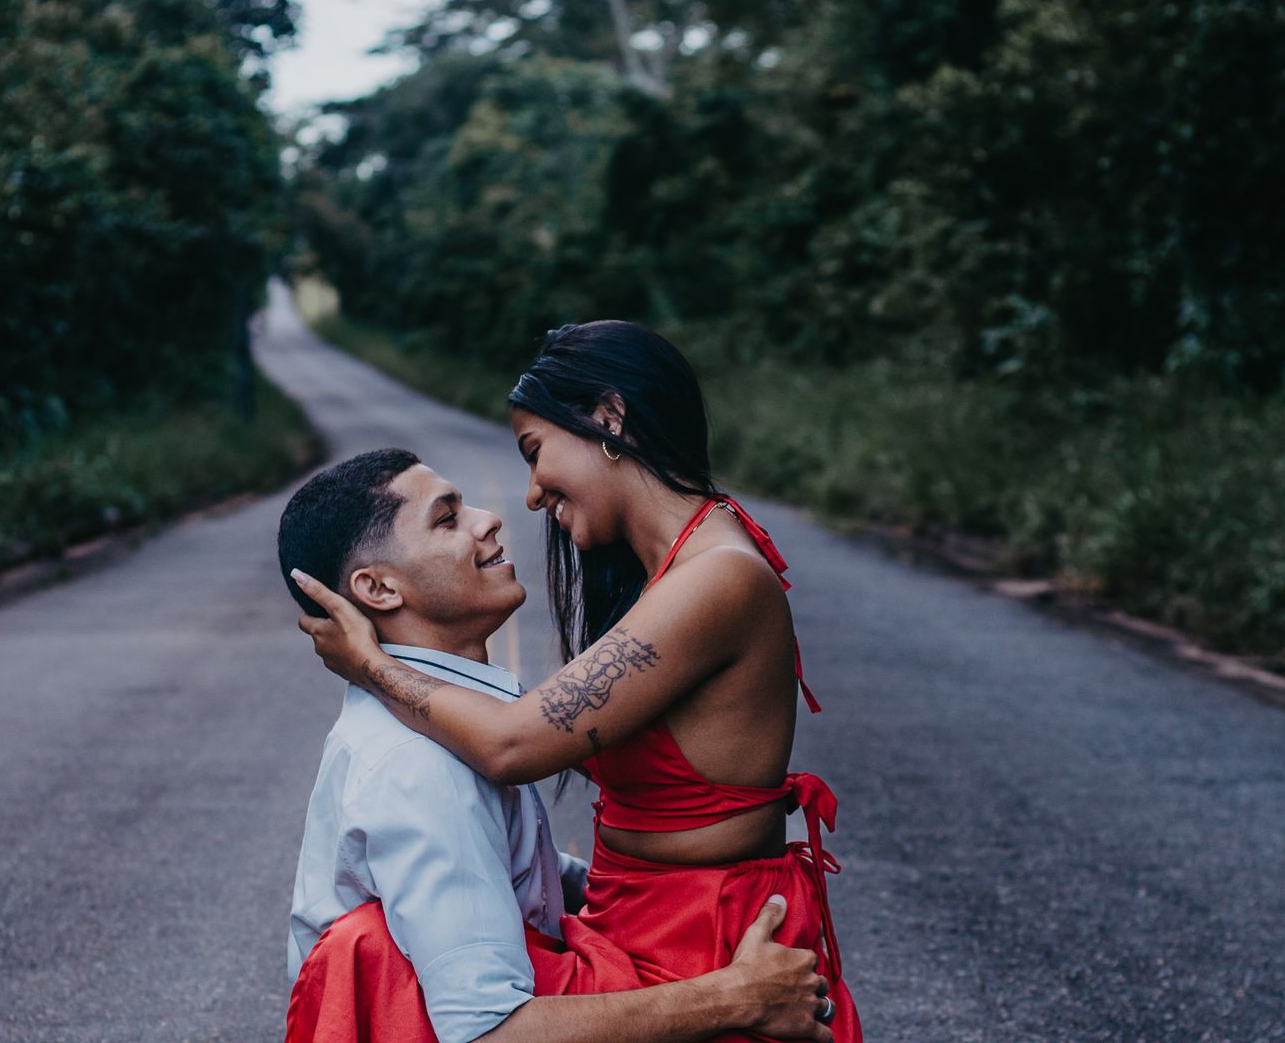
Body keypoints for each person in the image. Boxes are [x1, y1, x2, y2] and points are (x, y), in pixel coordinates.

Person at [292, 321, 861, 1043]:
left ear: (609, 420)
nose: (528, 496)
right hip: (637, 924)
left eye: (534, 454)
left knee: (404, 973)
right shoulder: (666, 579)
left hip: (703, 938)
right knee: (390, 954)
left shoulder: (717, 578)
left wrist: (370, 663)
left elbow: (511, 744)